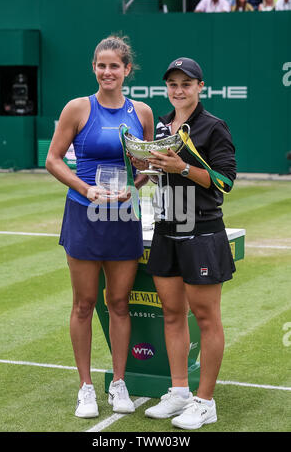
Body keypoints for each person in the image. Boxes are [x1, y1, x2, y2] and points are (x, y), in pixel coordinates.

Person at [45, 35, 154, 418]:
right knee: (84, 304)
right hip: (84, 213)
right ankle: (86, 388)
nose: (107, 72)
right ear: (95, 68)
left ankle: (118, 383)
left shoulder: (142, 113)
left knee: (119, 303)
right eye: (101, 65)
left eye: (114, 66)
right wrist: (85, 188)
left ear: (127, 70)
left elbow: (147, 166)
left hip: (124, 216)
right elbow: (54, 159)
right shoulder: (77, 108)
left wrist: (134, 186)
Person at [132, 57, 236, 430]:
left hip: (203, 231)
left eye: (186, 84)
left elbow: (224, 182)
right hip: (166, 228)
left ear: (199, 87)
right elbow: (154, 177)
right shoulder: (162, 126)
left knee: (206, 319)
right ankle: (178, 392)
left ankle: (205, 401)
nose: (179, 90)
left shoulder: (213, 127)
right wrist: (144, 164)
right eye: (173, 84)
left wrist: (184, 168)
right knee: (172, 314)